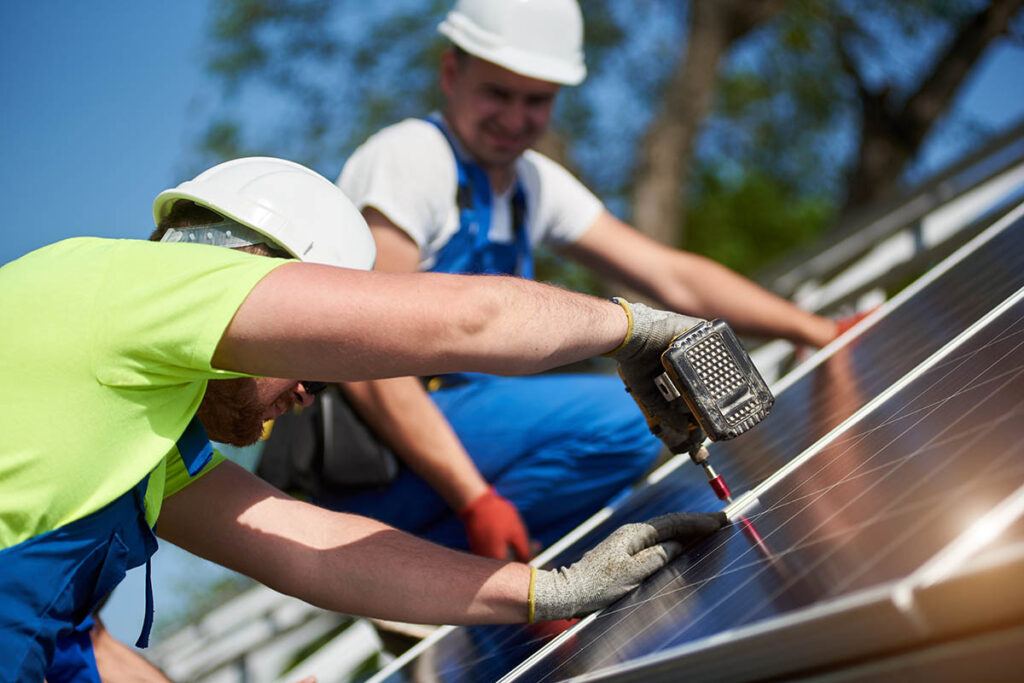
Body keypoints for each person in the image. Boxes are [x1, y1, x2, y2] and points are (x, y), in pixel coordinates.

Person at [0, 156, 728, 682]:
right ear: (259, 276)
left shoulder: (140, 431)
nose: (308, 396)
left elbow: (312, 548)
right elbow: (469, 319)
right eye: (311, 364)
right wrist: (632, 329)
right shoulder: (124, 287)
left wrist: (546, 589)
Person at [323, 0, 849, 560]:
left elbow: (669, 275)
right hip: (379, 454)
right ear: (452, 74)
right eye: (497, 93)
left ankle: (483, 607)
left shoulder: (532, 185)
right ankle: (429, 566)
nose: (515, 117)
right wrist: (476, 502)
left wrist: (817, 331)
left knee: (637, 498)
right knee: (625, 423)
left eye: (537, 100)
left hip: (472, 431)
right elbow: (365, 351)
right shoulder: (410, 159)